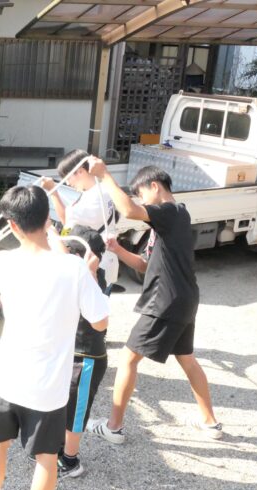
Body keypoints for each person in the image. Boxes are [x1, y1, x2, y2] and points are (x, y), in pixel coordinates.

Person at [0, 186, 109, 490]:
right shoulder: (74, 268)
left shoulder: (1, 261)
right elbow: (100, 322)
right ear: (49, 218)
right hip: (49, 386)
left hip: (8, 375)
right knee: (46, 459)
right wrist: (89, 272)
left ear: (12, 225)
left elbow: (33, 259)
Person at [86, 161, 223, 444]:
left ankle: (113, 427)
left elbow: (128, 210)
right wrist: (117, 249)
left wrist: (105, 175)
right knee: (187, 359)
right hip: (183, 299)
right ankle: (210, 423)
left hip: (166, 301)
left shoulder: (169, 212)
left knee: (127, 359)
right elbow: (145, 265)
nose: (141, 202)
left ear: (154, 187)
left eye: (142, 195)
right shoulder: (173, 219)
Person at [58, 226, 110, 479]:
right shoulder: (81, 275)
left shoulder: (92, 279)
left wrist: (88, 275)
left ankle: (70, 460)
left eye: (67, 250)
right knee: (63, 405)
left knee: (76, 411)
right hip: (71, 352)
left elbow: (101, 322)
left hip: (87, 357)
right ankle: (59, 448)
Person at [40, 149, 119, 287]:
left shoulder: (96, 197)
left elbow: (66, 222)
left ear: (81, 171)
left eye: (68, 177)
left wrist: (53, 192)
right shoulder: (100, 190)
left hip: (96, 267)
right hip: (101, 261)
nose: (69, 183)